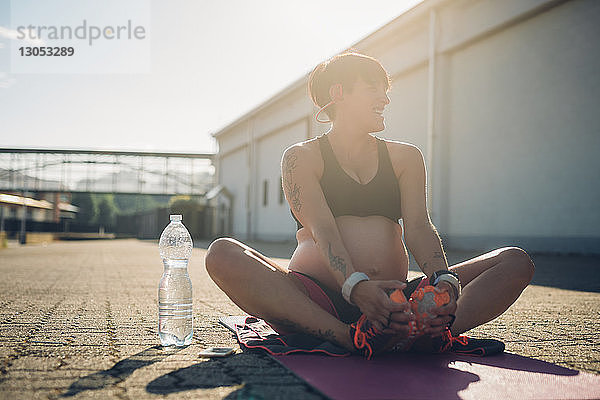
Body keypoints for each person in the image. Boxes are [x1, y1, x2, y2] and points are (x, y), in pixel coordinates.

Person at [205, 51, 535, 359]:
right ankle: (348, 337)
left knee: (514, 261)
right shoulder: (301, 157)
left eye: (386, 90)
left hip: (398, 301)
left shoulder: (406, 157)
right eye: (374, 88)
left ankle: (429, 329)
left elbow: (419, 227)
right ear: (339, 93)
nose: (385, 98)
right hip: (317, 300)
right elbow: (323, 229)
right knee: (222, 253)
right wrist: (355, 287)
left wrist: (443, 281)